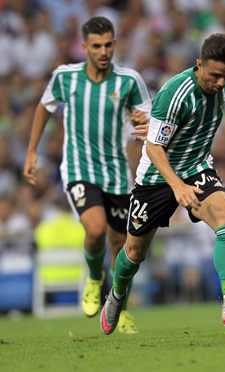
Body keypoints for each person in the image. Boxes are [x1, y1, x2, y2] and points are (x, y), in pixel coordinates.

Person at [100, 33, 225, 335]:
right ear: (198, 65)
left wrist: (157, 123)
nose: (221, 83)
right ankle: (117, 293)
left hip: (196, 166)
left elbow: (180, 120)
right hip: (156, 176)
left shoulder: (224, 87)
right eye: (215, 75)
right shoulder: (176, 92)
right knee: (135, 252)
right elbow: (153, 148)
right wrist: (176, 185)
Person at [23, 17, 152, 334]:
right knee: (94, 229)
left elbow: (151, 118)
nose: (103, 51)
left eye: (108, 44)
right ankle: (95, 279)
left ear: (115, 44)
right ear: (84, 48)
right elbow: (44, 107)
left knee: (121, 246)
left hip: (117, 173)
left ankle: (117, 309)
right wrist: (31, 151)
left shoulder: (129, 80)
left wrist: (142, 118)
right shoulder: (66, 77)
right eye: (97, 46)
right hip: (79, 169)